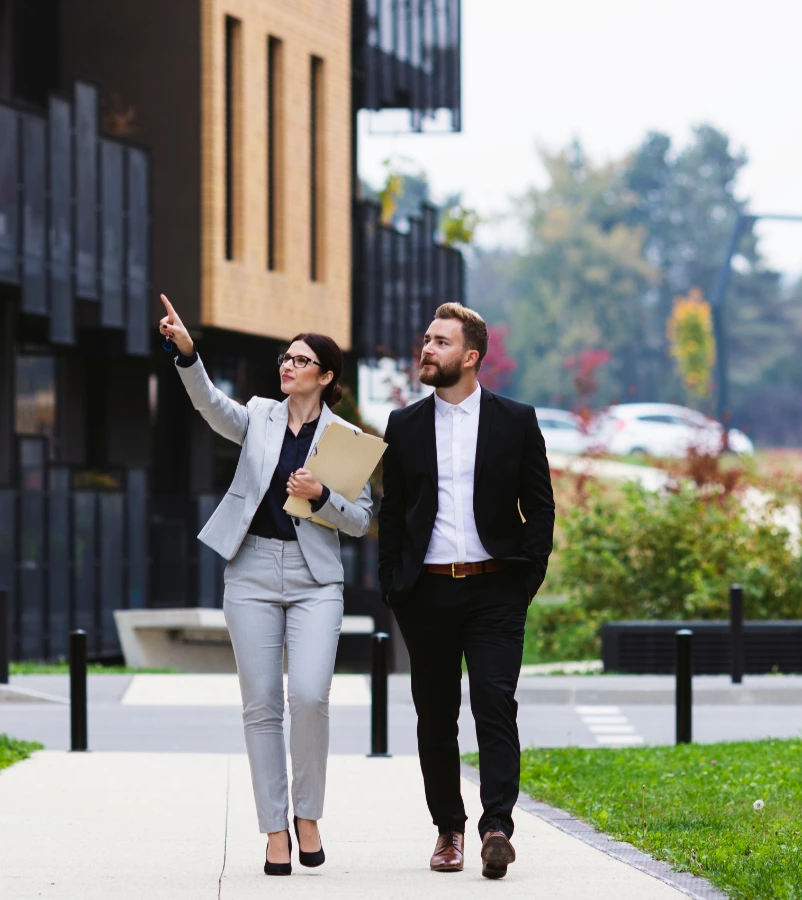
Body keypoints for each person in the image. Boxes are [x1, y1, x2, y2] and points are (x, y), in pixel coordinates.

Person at [158, 294, 374, 876]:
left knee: (308, 695)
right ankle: (276, 829)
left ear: (326, 377)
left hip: (315, 579)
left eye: (302, 361)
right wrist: (187, 353)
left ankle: (309, 814)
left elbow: (361, 520)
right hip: (250, 568)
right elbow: (209, 405)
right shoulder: (258, 415)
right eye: (286, 357)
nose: (288, 365)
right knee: (260, 708)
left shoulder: (348, 439)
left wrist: (322, 497)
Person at [376, 302, 556, 880]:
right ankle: (448, 830)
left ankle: (496, 826)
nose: (426, 349)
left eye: (440, 342)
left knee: (495, 705)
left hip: (495, 589)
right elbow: (394, 510)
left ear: (471, 357)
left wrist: (525, 578)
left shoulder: (516, 420)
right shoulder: (403, 425)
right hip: (425, 592)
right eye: (426, 339)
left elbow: (541, 508)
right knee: (435, 715)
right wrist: (393, 585)